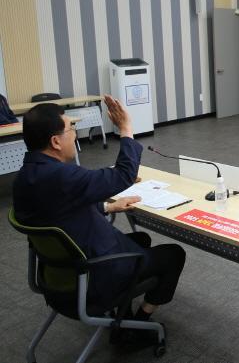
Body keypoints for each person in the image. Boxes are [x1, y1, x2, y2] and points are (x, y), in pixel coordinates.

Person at [13, 96, 186, 339]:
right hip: (93, 274)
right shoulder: (63, 177)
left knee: (142, 239)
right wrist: (125, 130)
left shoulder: (24, 178)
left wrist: (107, 207)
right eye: (71, 129)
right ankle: (136, 327)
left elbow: (60, 210)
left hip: (58, 278)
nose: (74, 134)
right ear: (55, 141)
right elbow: (123, 175)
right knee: (174, 254)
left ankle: (122, 313)